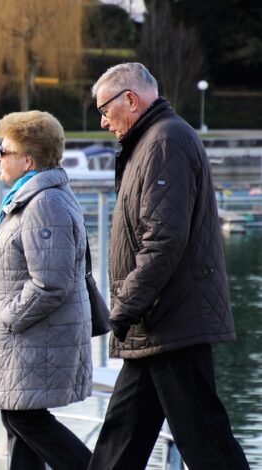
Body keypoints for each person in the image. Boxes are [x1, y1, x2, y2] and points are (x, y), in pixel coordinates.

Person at [88, 62, 249, 469]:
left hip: (172, 322)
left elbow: (163, 241)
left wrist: (123, 308)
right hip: (156, 323)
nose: (104, 122)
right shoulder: (152, 142)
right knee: (119, 443)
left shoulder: (165, 142)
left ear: (130, 99)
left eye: (105, 110)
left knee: (207, 445)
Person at [0, 110, 92, 470]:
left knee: (24, 419)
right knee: (18, 423)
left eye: (3, 151)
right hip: (27, 339)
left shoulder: (44, 203)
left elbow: (51, 282)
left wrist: (5, 318)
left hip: (31, 338)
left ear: (27, 160)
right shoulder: (30, 199)